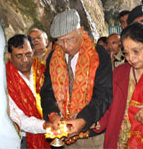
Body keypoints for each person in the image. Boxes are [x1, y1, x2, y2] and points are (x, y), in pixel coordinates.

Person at [40, 9, 113, 148]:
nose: (66, 46)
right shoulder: (53, 58)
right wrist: (53, 114)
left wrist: (83, 119)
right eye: (60, 41)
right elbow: (47, 91)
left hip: (92, 136)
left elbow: (103, 94)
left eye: (69, 39)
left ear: (81, 29)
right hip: (63, 134)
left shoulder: (98, 55)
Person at [93, 22, 143, 149]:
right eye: (126, 53)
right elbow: (110, 106)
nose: (130, 58)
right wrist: (96, 122)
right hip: (120, 142)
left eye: (136, 51)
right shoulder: (120, 72)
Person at [6, 34, 50, 149]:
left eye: (28, 54)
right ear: (9, 56)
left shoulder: (43, 70)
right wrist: (44, 125)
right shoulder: (6, 80)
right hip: (25, 138)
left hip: (52, 130)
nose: (25, 60)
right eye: (19, 56)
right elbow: (18, 117)